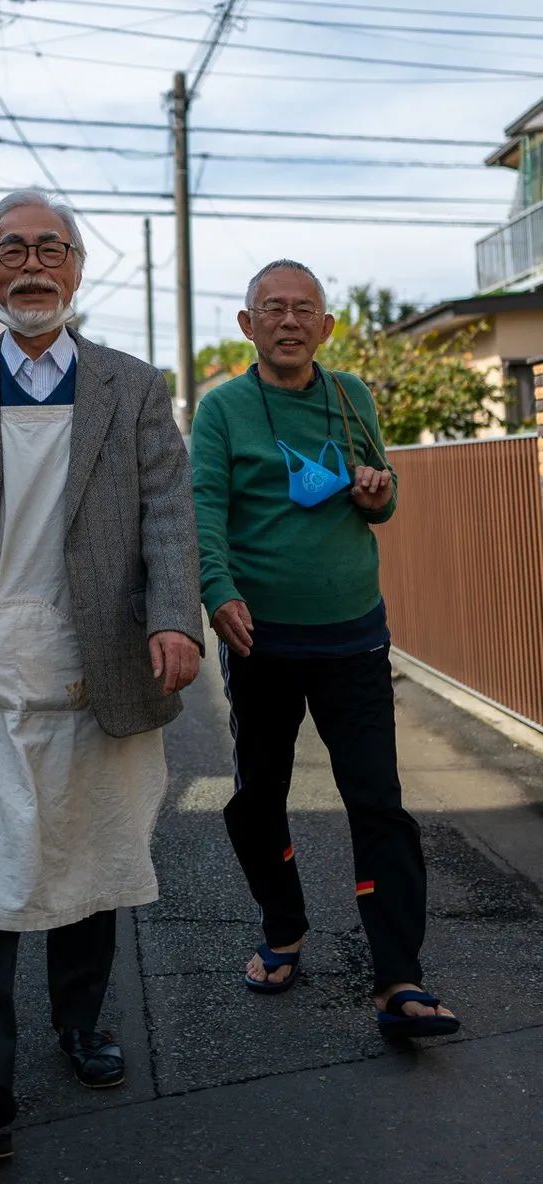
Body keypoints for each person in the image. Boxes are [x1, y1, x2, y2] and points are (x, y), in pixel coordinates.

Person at [0, 188, 203, 1173]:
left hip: (96, 656)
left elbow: (167, 514)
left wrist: (172, 617)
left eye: (49, 248)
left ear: (76, 265)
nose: (31, 265)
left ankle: (80, 1020)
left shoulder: (132, 385)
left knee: (88, 846)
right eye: (11, 249)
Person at [190, 258, 458, 1040]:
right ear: (247, 324)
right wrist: (217, 590)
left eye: (304, 308)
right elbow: (204, 507)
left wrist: (378, 491)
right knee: (258, 796)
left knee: (377, 802)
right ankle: (283, 928)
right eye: (272, 307)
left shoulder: (350, 396)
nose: (289, 320)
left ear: (326, 326)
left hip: (353, 637)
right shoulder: (223, 408)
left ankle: (398, 977)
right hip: (260, 639)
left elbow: (384, 493)